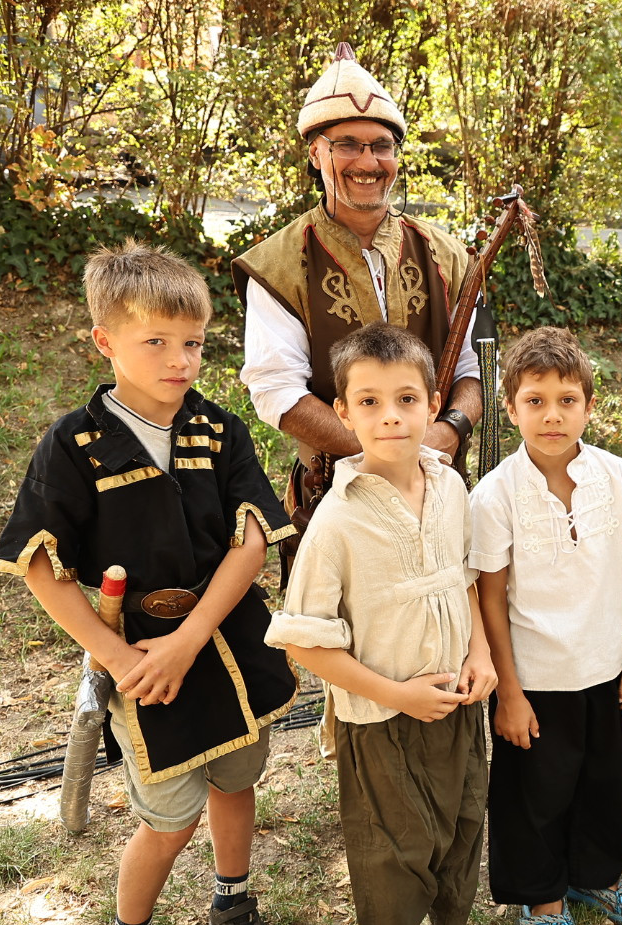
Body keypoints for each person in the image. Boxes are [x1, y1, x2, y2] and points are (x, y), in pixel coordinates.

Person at [0, 241, 298, 925]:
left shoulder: (218, 431)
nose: (179, 359)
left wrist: (191, 638)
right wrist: (118, 656)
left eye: (192, 342)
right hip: (139, 665)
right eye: (155, 341)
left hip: (225, 645)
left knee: (237, 781)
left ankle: (233, 899)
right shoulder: (75, 445)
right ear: (106, 341)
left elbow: (252, 541)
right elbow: (42, 565)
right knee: (168, 817)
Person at [264, 322, 513, 925]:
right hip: (380, 717)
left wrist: (481, 655)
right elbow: (305, 643)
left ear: (434, 404)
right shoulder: (336, 521)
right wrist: (396, 693)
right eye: (369, 402)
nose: (391, 417)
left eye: (406, 399)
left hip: (456, 701)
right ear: (342, 412)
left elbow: (466, 579)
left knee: (461, 822)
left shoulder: (452, 488)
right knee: (394, 844)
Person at [235, 43, 485, 561]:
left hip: (438, 493)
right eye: (347, 144)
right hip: (334, 500)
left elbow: (473, 369)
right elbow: (277, 390)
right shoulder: (279, 264)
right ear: (316, 154)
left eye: (382, 146)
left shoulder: (448, 256)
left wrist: (450, 429)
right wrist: (385, 453)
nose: (368, 162)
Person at [469, 327, 622, 925]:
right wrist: (509, 692)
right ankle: (542, 894)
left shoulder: (617, 475)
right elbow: (490, 598)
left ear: (589, 406)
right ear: (510, 407)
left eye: (567, 400)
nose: (552, 416)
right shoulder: (495, 494)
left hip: (603, 665)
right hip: (535, 677)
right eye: (536, 401)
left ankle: (596, 875)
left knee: (603, 780)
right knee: (536, 791)